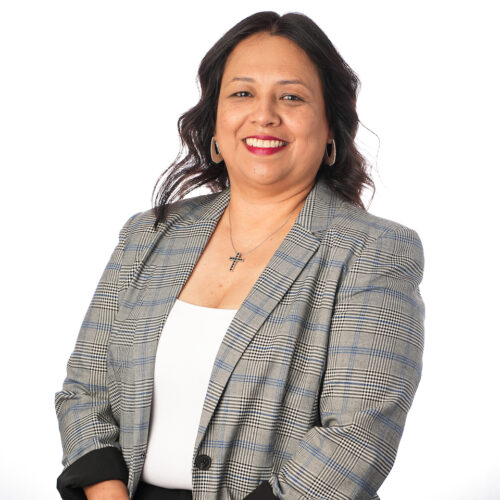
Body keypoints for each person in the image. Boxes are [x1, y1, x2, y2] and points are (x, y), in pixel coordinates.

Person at [55, 10, 425, 500]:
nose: (264, 114)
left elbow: (356, 437)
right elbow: (86, 389)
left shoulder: (375, 252)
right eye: (242, 93)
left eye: (291, 97)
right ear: (215, 123)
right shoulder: (148, 235)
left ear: (332, 128)